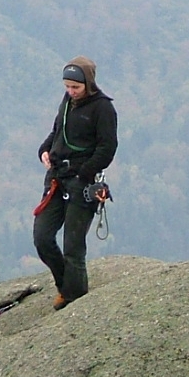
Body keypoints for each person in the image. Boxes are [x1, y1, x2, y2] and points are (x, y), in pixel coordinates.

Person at [33, 56, 117, 309]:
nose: (71, 92)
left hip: (82, 182)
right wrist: (44, 149)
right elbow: (57, 130)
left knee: (73, 245)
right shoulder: (68, 102)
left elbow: (108, 148)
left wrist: (84, 173)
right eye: (67, 87)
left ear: (88, 84)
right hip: (57, 178)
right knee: (43, 237)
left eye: (75, 88)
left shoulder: (103, 108)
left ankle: (75, 297)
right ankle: (65, 286)